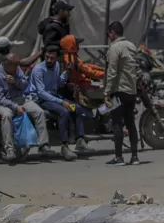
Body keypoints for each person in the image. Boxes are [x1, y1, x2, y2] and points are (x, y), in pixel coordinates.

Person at [31, 46, 92, 161]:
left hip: (54, 97)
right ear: (44, 56)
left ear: (56, 58)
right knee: (64, 112)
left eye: (52, 58)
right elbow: (41, 93)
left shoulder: (57, 66)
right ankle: (64, 146)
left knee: (77, 109)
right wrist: (61, 102)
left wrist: (66, 73)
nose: (49, 60)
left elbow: (57, 83)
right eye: (47, 57)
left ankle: (80, 140)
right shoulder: (38, 69)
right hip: (42, 100)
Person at [0, 53, 51, 162]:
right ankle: (9, 149)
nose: (16, 68)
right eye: (14, 66)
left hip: (19, 99)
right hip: (4, 103)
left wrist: (15, 82)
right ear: (6, 64)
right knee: (7, 115)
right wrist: (15, 107)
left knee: (39, 111)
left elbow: (25, 84)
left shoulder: (16, 69)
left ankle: (43, 144)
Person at [104, 21, 140, 166]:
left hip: (117, 92)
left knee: (116, 123)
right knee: (130, 123)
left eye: (109, 34)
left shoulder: (114, 48)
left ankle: (119, 157)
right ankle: (135, 157)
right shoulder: (131, 46)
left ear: (112, 32)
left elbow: (112, 72)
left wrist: (107, 92)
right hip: (131, 91)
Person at [59, 34, 105, 103]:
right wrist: (106, 74)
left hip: (82, 86)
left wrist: (102, 69)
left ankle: (101, 111)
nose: (78, 46)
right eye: (76, 44)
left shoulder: (70, 56)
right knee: (108, 94)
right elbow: (89, 72)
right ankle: (102, 111)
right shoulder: (71, 59)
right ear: (71, 45)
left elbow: (85, 66)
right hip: (82, 88)